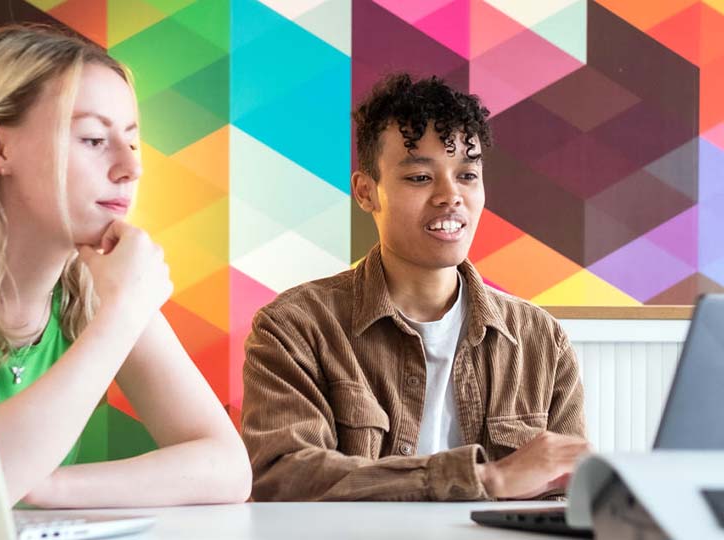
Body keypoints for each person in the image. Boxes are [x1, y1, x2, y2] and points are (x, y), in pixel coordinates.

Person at [0, 24, 251, 508]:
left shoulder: (102, 293)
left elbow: (227, 468)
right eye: (94, 139)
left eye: (132, 143)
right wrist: (121, 317)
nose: (130, 167)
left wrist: (47, 483)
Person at [242, 73, 589, 502]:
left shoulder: (542, 341)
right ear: (367, 192)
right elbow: (283, 475)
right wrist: (485, 479)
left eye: (467, 174)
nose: (451, 196)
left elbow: (569, 490)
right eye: (420, 178)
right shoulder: (295, 327)